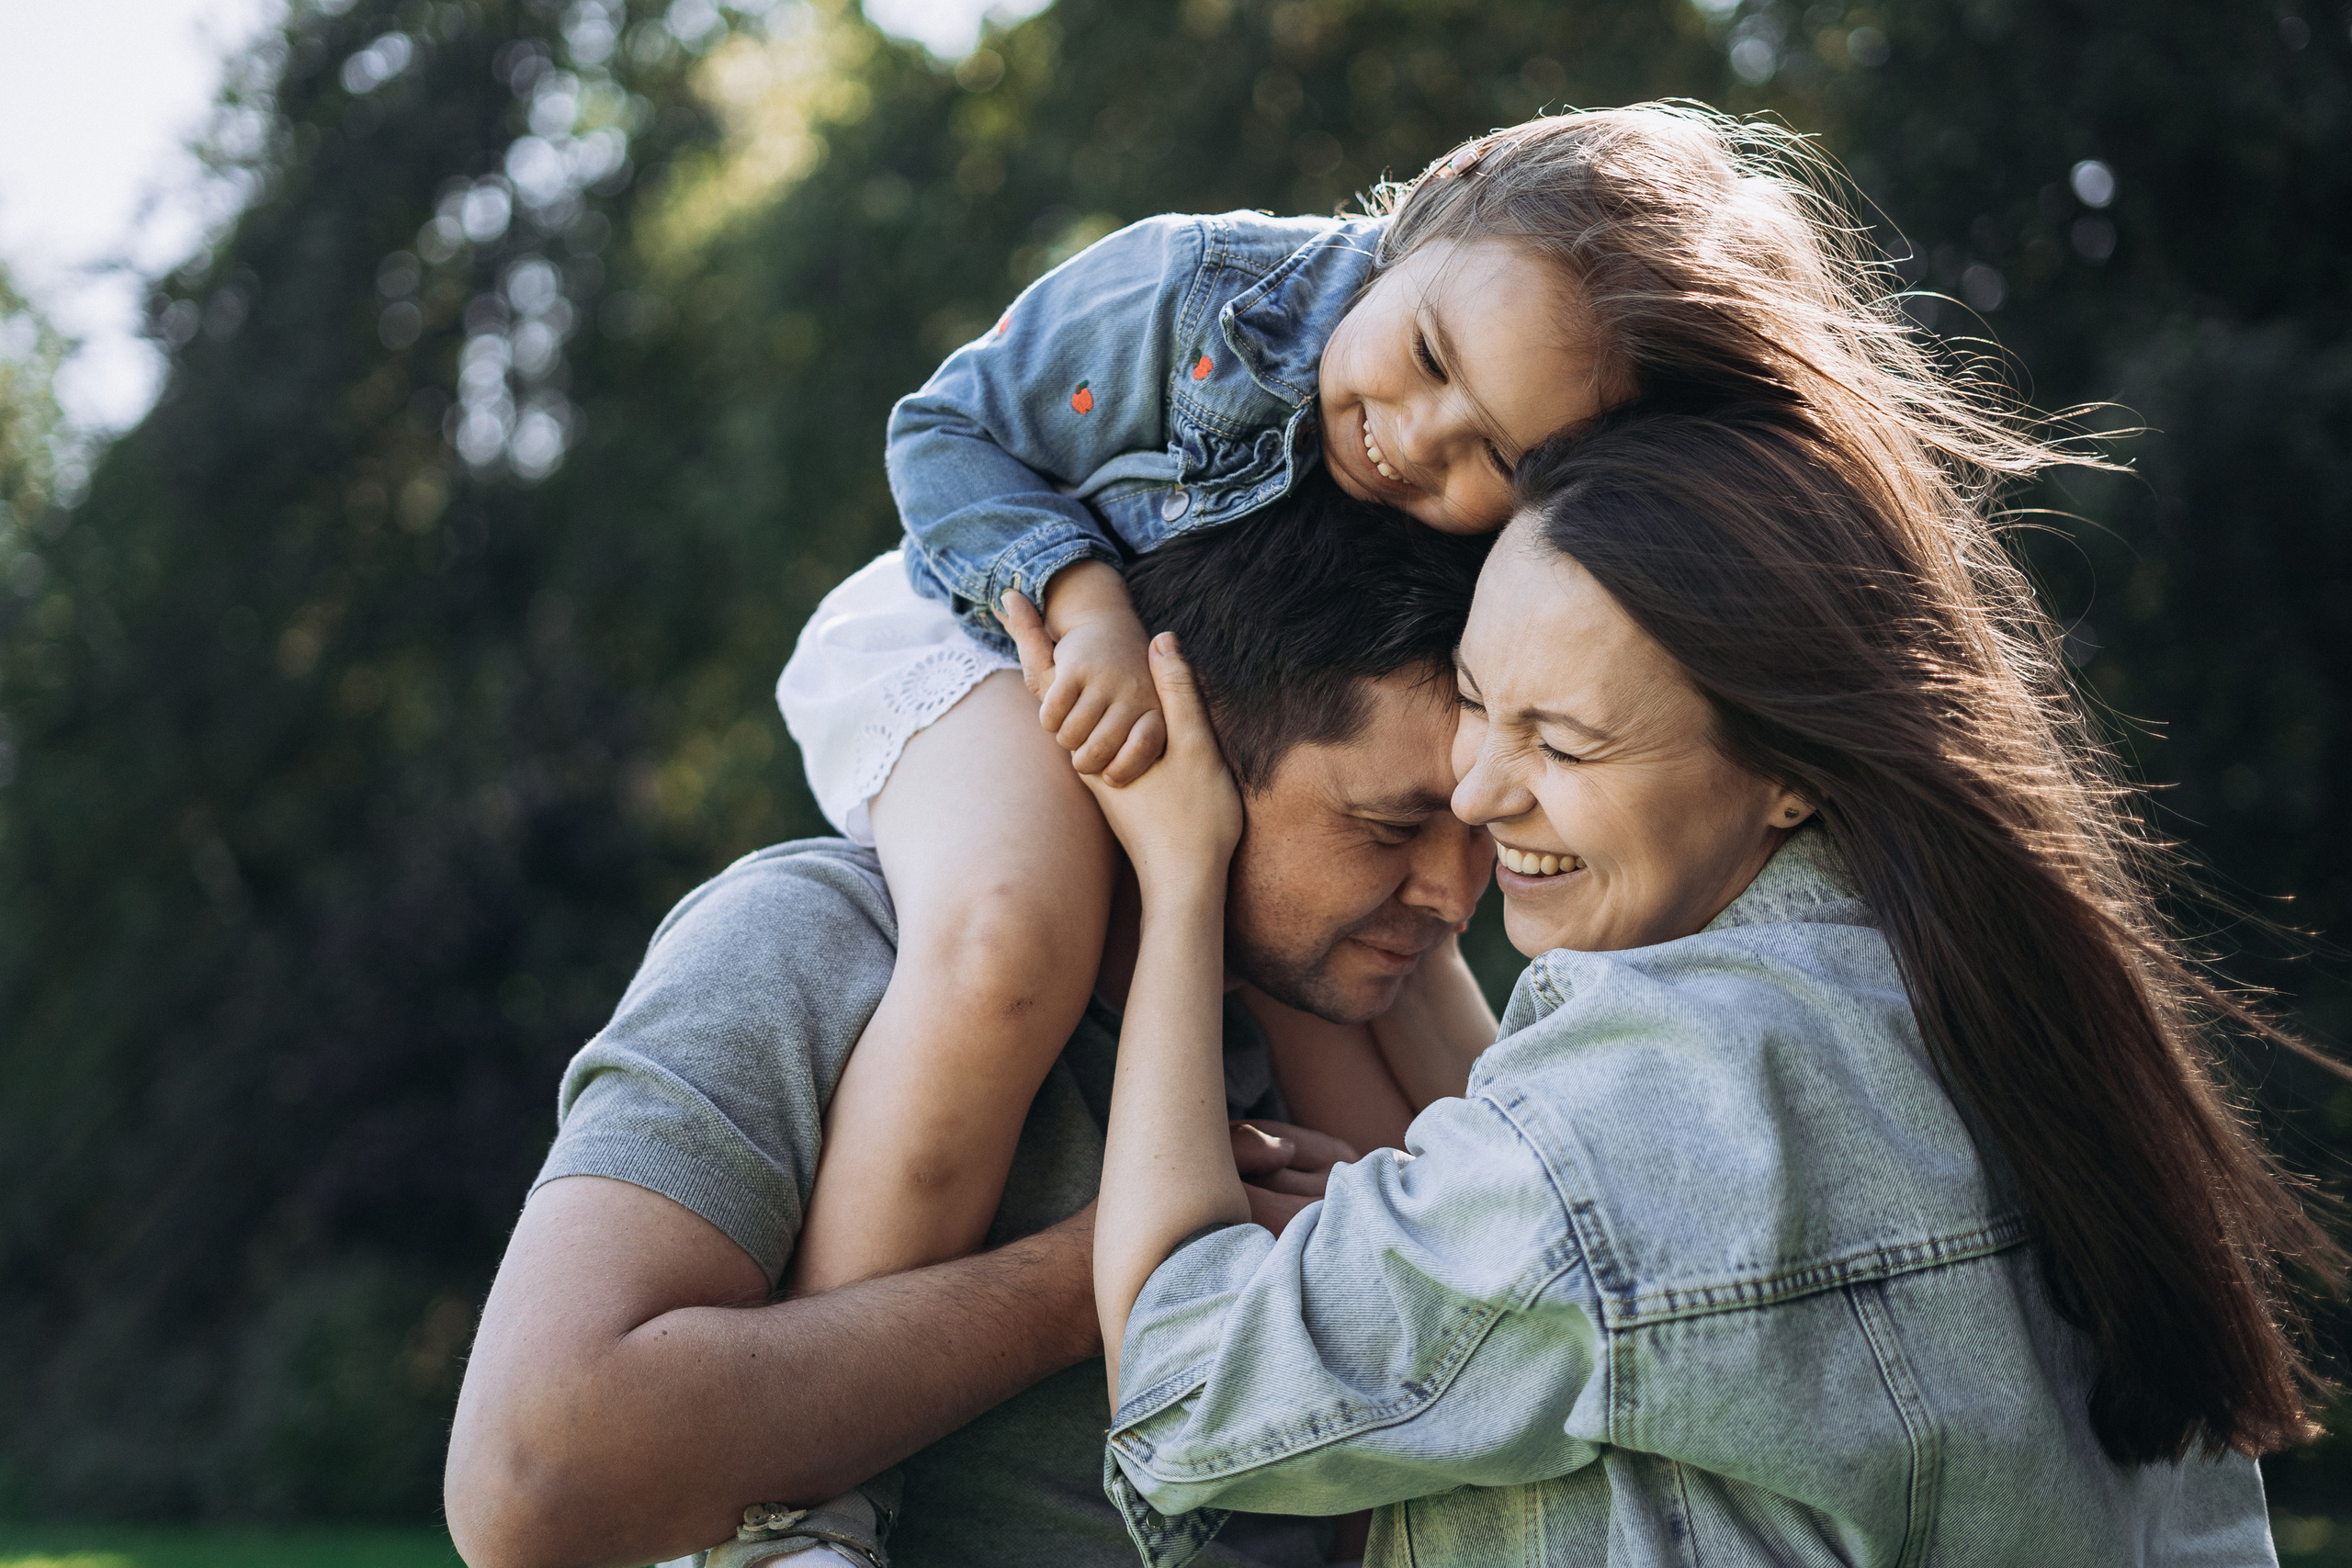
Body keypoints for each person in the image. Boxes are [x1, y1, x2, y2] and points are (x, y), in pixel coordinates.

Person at [774, 103, 2011, 1301]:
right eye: (1427, 357)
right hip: (974, 620)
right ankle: (805, 1479)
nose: (1415, 440)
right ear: (1442, 194)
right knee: (1012, 930)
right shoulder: (1198, 292)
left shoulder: (1509, 531)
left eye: (1497, 455)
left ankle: (1471, 1240)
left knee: (1372, 975)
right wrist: (1080, 593)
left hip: (1236, 699)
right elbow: (942, 426)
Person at [1060, 405, 2334, 1565]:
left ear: (1785, 765)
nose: (1476, 791)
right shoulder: (2017, 1013)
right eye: (1473, 702)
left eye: (1559, 739)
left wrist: (1182, 876)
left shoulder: (1638, 1111)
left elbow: (1183, 1385)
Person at [441, 479, 1498, 1568]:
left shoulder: (1325, 1048)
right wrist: (1120, 1267)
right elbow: (530, 1484)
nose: (1456, 895)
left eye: (1476, 827)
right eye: (1393, 825)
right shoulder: (816, 946)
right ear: (1190, 744)